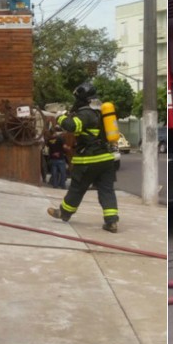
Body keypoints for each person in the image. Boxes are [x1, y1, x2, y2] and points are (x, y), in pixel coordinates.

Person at [47, 81, 119, 232]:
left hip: (88, 160)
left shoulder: (87, 113)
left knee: (77, 189)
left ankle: (64, 213)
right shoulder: (101, 112)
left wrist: (60, 117)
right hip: (106, 160)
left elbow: (73, 126)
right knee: (107, 191)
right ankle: (111, 222)